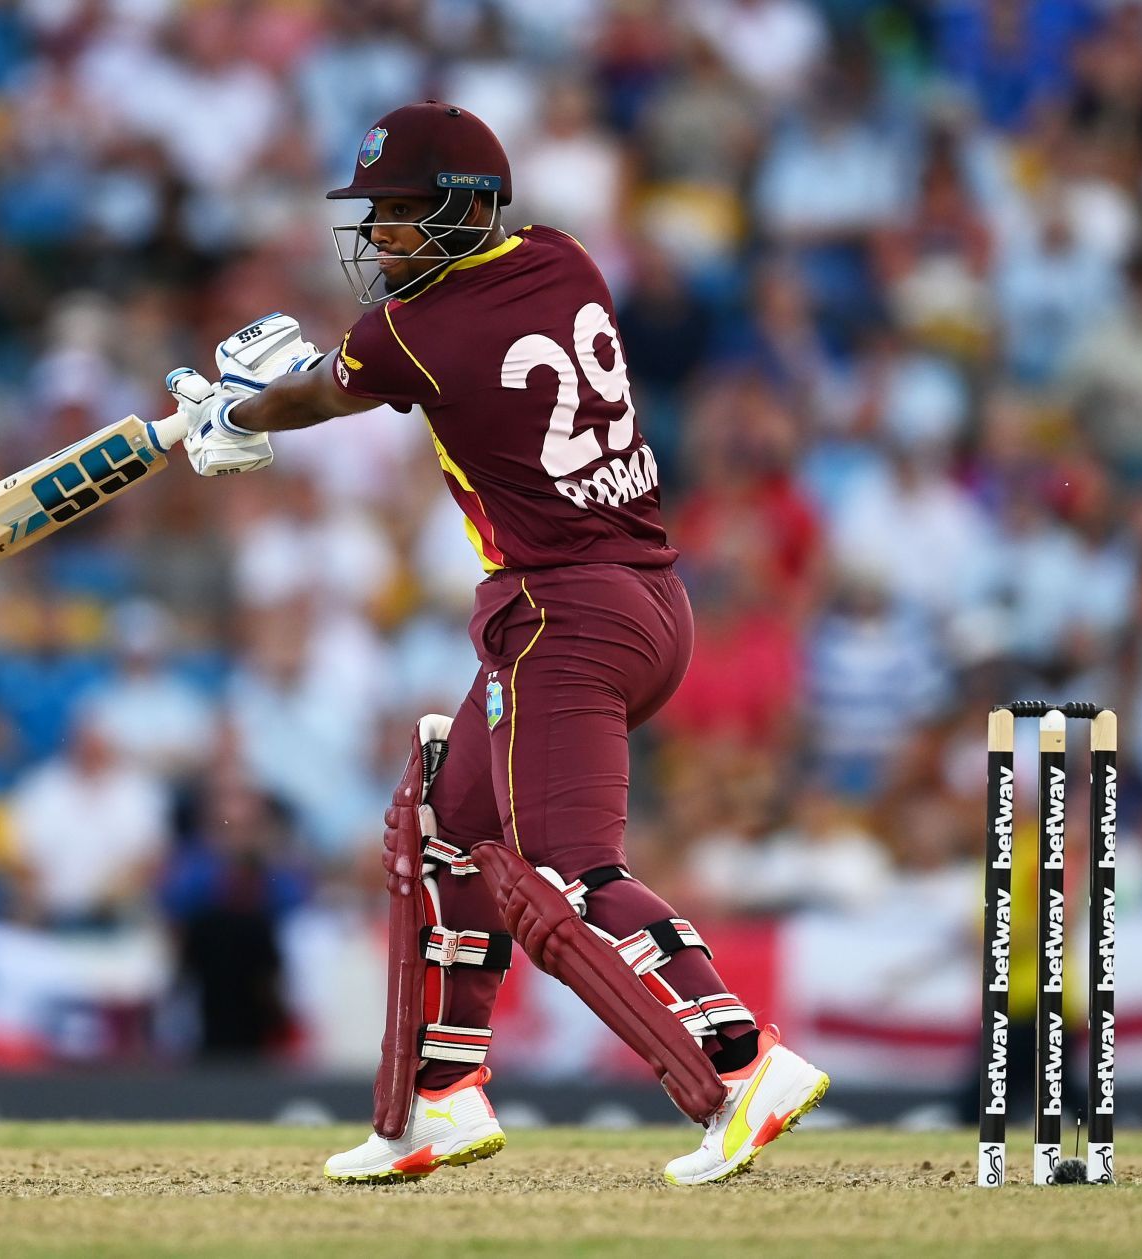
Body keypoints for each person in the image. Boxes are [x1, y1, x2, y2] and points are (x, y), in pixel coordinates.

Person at [163, 102, 829, 1186]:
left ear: (467, 210)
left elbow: (322, 392)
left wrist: (233, 416)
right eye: (372, 215)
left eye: (399, 214)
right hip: (646, 600)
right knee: (438, 821)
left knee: (564, 871)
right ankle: (440, 1095)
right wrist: (264, 399)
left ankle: (740, 1061)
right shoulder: (561, 256)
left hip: (562, 615)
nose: (378, 237)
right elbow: (360, 365)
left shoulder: (414, 332)